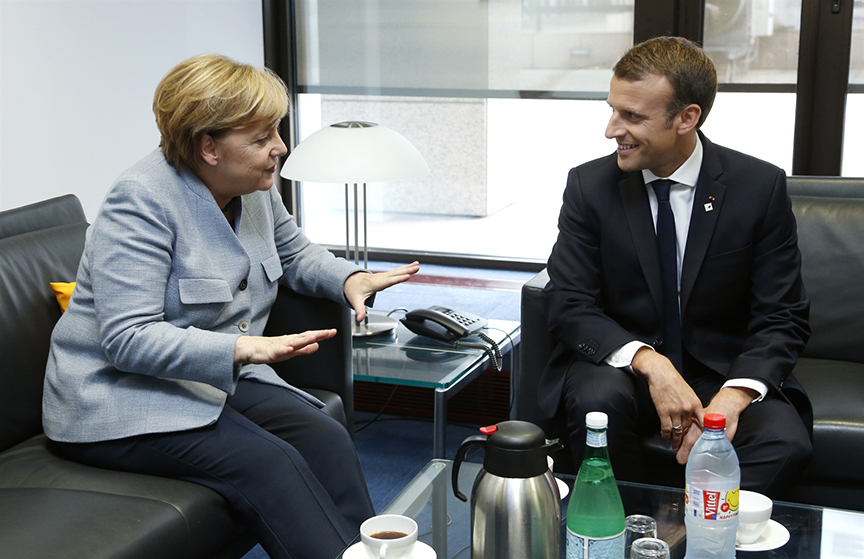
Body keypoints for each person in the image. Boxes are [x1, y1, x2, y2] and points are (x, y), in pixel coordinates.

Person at [42, 54, 419, 559]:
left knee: (323, 436)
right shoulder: (140, 201)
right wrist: (245, 349)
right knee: (270, 463)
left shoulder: (253, 187)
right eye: (262, 138)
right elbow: (126, 339)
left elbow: (294, 251)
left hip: (200, 379)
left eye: (276, 132)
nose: (280, 148)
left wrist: (351, 278)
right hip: (117, 399)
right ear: (208, 147)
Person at [539, 37, 812, 497]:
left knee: (785, 443)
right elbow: (569, 302)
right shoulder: (589, 186)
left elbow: (782, 315)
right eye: (612, 109)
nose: (611, 130)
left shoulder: (757, 187)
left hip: (720, 368)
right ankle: (629, 527)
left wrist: (733, 397)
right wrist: (651, 363)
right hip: (623, 368)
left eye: (633, 117)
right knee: (594, 402)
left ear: (687, 118)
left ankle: (686, 536)